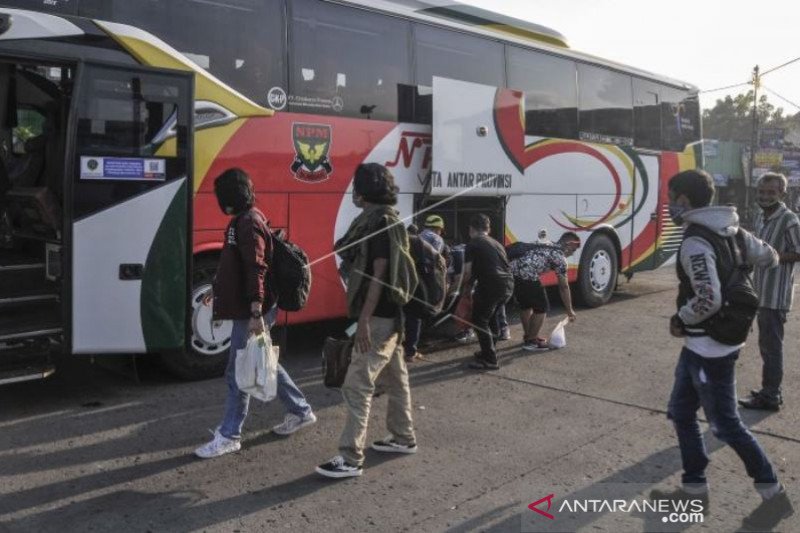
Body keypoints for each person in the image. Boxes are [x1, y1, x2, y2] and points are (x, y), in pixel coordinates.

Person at [651, 169, 792, 531]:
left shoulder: (696, 240)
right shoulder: (733, 229)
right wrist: (740, 264)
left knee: (726, 424)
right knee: (681, 411)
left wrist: (681, 318)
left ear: (684, 200)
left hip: (709, 346)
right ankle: (694, 490)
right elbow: (771, 256)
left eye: (671, 199)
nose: (669, 206)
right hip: (706, 344)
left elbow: (709, 298)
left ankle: (774, 494)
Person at [194, 169, 316, 459]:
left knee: (239, 370)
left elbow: (256, 268)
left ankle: (230, 435)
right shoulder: (243, 221)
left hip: (253, 309)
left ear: (228, 199)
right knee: (261, 361)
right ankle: (300, 410)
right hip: (249, 306)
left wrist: (255, 312)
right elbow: (234, 265)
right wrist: (217, 288)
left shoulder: (248, 223)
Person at [316, 163, 418, 479]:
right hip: (393, 317)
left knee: (357, 383)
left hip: (378, 317)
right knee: (397, 377)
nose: (353, 195)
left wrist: (363, 320)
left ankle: (350, 458)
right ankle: (403, 437)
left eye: (355, 189)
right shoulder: (387, 219)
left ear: (363, 192)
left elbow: (379, 274)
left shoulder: (378, 224)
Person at [739, 172, 800, 411]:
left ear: (782, 194)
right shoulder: (760, 217)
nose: (765, 197)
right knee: (766, 346)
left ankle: (771, 396)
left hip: (776, 296)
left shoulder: (789, 220)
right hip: (760, 291)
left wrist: (772, 256)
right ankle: (769, 391)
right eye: (762, 192)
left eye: (771, 193)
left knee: (771, 348)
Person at [461, 214, 514, 370]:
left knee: (479, 320)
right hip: (508, 285)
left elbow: (467, 272)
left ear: (471, 229)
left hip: (491, 285)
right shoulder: (496, 243)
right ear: (488, 229)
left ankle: (490, 359)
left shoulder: (473, 244)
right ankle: (489, 350)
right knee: (491, 318)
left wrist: (465, 290)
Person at [509, 232, 579, 351]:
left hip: (513, 272)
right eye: (574, 249)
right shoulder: (560, 257)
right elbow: (564, 287)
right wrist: (569, 310)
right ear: (569, 244)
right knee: (542, 308)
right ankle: (531, 341)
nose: (572, 253)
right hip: (528, 275)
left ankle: (528, 336)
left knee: (525, 306)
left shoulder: (547, 243)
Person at [403, 214, 449, 362]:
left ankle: (401, 347)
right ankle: (410, 351)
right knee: (416, 316)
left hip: (403, 280)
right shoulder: (436, 239)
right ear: (438, 229)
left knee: (403, 314)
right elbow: (435, 263)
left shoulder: (415, 236)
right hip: (420, 283)